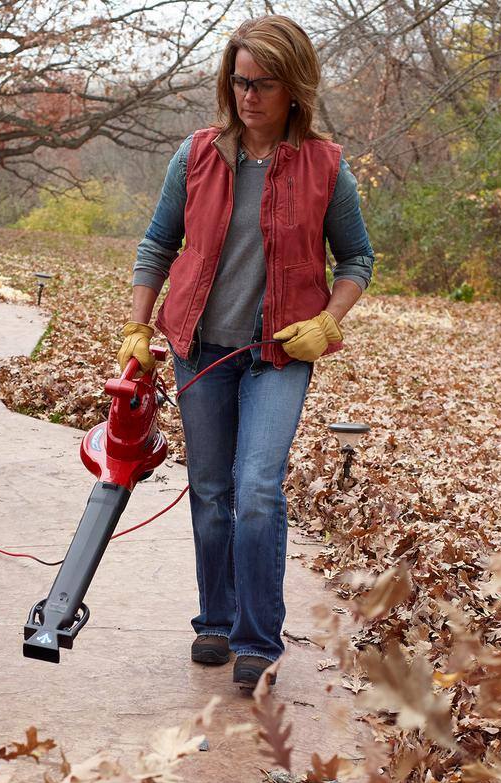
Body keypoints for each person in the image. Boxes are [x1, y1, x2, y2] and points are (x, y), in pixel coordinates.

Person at [117, 15, 374, 693]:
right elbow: (156, 245)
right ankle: (217, 620)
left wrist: (328, 319)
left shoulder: (325, 166)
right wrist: (139, 330)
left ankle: (258, 638)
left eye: (262, 82)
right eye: (238, 81)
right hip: (200, 347)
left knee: (257, 489)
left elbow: (358, 259)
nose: (248, 95)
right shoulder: (197, 154)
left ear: (293, 87)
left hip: (278, 355)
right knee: (209, 489)